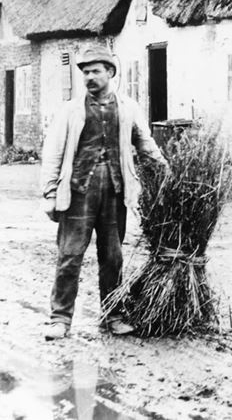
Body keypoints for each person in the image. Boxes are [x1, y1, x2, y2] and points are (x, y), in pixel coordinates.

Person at [39, 45, 168, 340]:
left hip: (114, 193)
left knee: (113, 257)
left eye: (95, 71)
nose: (89, 77)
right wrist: (49, 193)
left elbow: (144, 143)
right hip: (77, 193)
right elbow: (53, 153)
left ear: (110, 72)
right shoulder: (71, 110)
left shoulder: (127, 107)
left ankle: (113, 316)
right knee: (70, 256)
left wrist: (165, 169)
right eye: (85, 72)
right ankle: (60, 319)